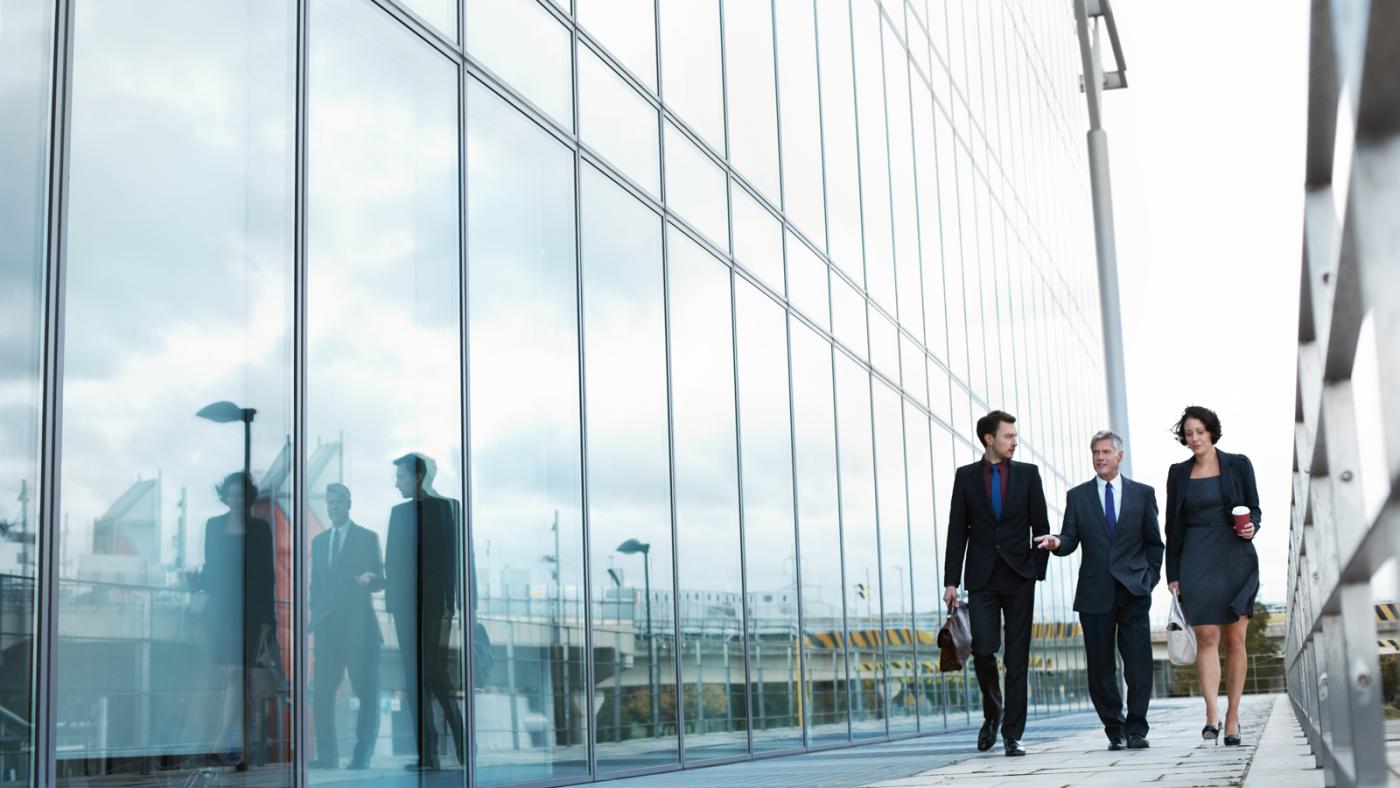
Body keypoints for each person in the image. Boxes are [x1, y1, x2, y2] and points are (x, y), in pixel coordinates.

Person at [1035, 431, 1163, 750]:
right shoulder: (1077, 496)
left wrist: (1148, 579)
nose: (1100, 457)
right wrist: (1056, 543)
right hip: (1095, 591)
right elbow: (1070, 538)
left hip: (1133, 590)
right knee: (1100, 667)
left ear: (1119, 455)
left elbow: (1154, 543)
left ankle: (1136, 729)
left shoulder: (1143, 494)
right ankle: (1114, 728)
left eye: (1106, 451)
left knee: (1138, 663)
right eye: (1095, 452)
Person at [943, 411, 1049, 757]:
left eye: (1015, 436)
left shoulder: (1029, 475)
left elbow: (1041, 526)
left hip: (1020, 576)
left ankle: (1012, 735)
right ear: (989, 438)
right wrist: (951, 580)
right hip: (983, 576)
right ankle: (993, 713)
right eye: (1008, 436)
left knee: (1017, 659)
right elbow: (957, 530)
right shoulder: (966, 477)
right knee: (983, 650)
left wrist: (1037, 569)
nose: (1014, 442)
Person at [1164, 405, 1260, 746]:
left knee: (1235, 639)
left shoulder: (1239, 464)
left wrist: (1252, 528)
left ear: (1211, 431)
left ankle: (1233, 716)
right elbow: (1172, 525)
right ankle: (1211, 715)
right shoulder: (1177, 473)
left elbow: (1255, 509)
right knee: (1205, 635)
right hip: (1195, 556)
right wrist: (1172, 571)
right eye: (1188, 433)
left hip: (1235, 555)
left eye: (1199, 432)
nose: (1194, 438)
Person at [385, 453, 465, 771]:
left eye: (401, 477)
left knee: (433, 672)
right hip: (405, 606)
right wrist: (392, 601)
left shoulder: (445, 507)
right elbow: (392, 560)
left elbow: (451, 557)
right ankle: (427, 755)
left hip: (434, 604)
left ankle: (461, 739)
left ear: (418, 477)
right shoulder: (398, 513)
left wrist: (452, 601)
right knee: (412, 677)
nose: (396, 483)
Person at [201, 472, 276, 770]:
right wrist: (197, 581)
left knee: (235, 673)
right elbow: (211, 567)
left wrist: (268, 619)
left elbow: (267, 575)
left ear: (248, 497)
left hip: (250, 611)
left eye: (240, 495)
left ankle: (222, 740)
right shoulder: (213, 525)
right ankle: (243, 749)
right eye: (230, 495)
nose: (234, 500)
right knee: (235, 680)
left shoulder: (261, 529)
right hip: (220, 609)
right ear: (224, 496)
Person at [309, 483, 384, 770]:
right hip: (328, 631)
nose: (334, 507)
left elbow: (379, 578)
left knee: (366, 694)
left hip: (358, 629)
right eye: (329, 502)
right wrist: (315, 614)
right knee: (322, 694)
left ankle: (361, 757)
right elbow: (317, 584)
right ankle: (327, 756)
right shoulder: (319, 541)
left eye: (338, 502)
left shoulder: (367, 537)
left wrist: (370, 579)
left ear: (349, 504)